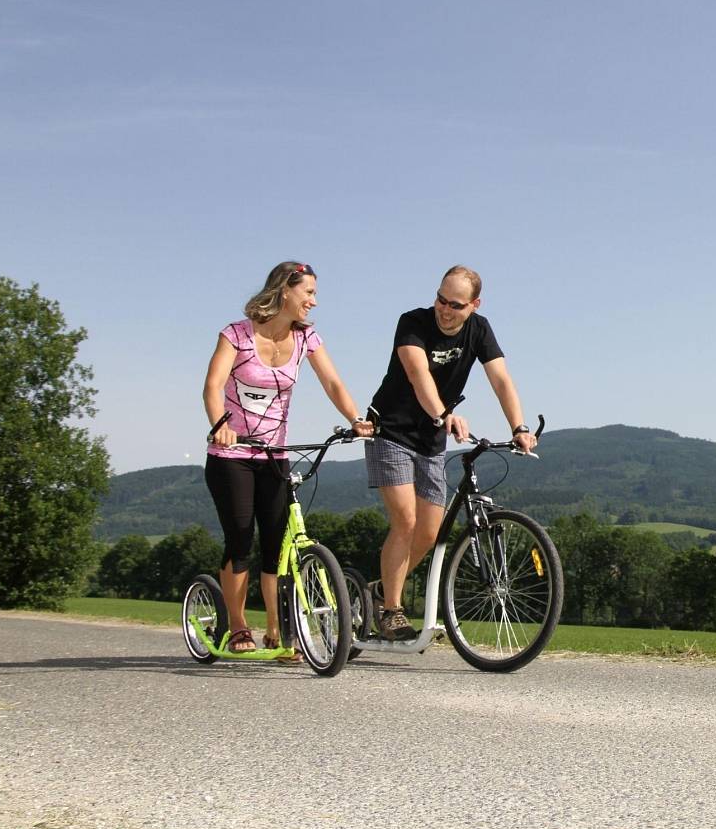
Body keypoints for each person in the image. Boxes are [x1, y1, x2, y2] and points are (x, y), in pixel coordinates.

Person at [203, 261, 372, 658]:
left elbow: (332, 381)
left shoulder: (306, 338)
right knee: (241, 539)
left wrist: (356, 419)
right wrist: (220, 423)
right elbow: (212, 386)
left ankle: (277, 629)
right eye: (308, 293)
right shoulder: (237, 335)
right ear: (284, 292)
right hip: (233, 452)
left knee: (278, 544)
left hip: (275, 454)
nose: (313, 301)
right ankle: (240, 624)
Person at [363, 264, 536, 640]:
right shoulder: (412, 321)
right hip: (391, 430)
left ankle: (379, 590)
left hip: (431, 439)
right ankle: (391, 610)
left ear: (474, 304)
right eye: (440, 299)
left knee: (428, 532)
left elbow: (501, 378)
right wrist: (445, 414)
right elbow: (416, 373)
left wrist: (519, 426)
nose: (444, 309)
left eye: (455, 304)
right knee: (405, 521)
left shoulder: (480, 329)